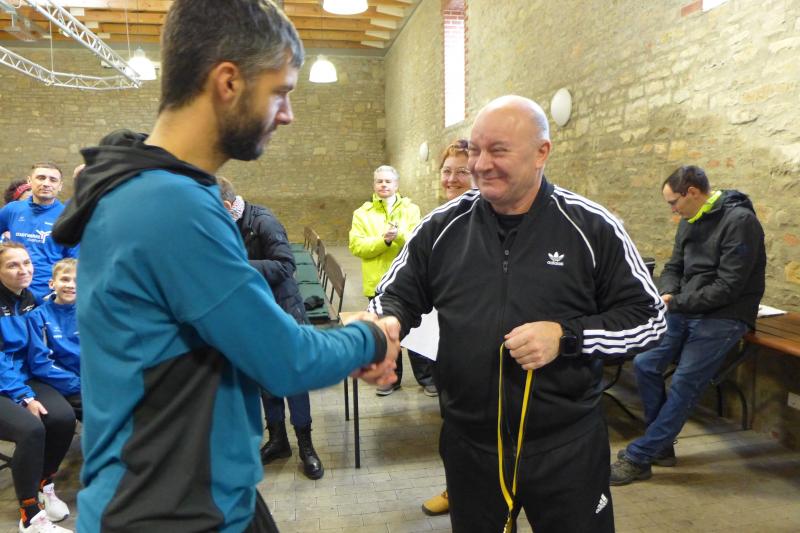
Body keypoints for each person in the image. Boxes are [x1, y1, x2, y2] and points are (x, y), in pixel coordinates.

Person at [51, 2, 399, 531]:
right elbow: (286, 360)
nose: (288, 114)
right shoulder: (170, 205)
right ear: (229, 82)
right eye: (280, 92)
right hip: (165, 511)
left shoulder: (153, 190)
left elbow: (239, 344)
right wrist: (371, 337)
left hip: (200, 487)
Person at [370, 95, 666, 533]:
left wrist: (567, 336)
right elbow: (394, 295)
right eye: (475, 150)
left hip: (565, 447)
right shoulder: (442, 227)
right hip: (471, 446)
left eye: (498, 151)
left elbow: (650, 320)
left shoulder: (591, 227)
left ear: (541, 152)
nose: (480, 165)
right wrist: (384, 326)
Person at [610, 165, 766, 485]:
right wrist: (667, 292)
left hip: (726, 314)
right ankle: (661, 447)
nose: (673, 210)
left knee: (684, 382)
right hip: (687, 307)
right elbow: (674, 266)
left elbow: (729, 287)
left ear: (692, 193)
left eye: (674, 202)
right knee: (645, 363)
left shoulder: (740, 222)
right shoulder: (689, 220)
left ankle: (640, 456)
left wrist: (676, 302)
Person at [218, 177, 324, 480]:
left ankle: (306, 446)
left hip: (282, 310)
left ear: (226, 205)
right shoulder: (224, 224)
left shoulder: (263, 222)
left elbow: (285, 266)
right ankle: (278, 440)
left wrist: (240, 266)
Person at [0, 242, 80, 533]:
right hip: (5, 383)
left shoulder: (30, 299)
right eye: (12, 265)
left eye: (26, 262)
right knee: (31, 429)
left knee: (63, 418)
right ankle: (30, 515)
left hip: (23, 377)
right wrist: (24, 396)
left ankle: (44, 484)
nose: (23, 269)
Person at [419, 138, 472, 517]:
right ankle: (457, 490)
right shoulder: (440, 221)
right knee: (452, 424)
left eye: (461, 172)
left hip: (482, 344)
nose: (451, 179)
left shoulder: (490, 222)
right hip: (446, 341)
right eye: (447, 171)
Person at [349, 165, 433, 396]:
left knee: (416, 331)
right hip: (378, 283)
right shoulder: (362, 213)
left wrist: (399, 236)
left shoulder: (411, 209)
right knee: (386, 334)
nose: (383, 185)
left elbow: (418, 240)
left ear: (396, 185)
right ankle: (390, 379)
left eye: (388, 181)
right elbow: (357, 246)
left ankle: (426, 377)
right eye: (379, 181)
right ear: (374, 185)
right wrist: (383, 241)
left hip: (410, 281)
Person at [0, 163, 78, 303]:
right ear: (30, 181)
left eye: (53, 180)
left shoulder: (69, 217)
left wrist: (58, 293)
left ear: (60, 186)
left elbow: (74, 263)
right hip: (11, 292)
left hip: (46, 296)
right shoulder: (12, 210)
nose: (46, 183)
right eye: (41, 178)